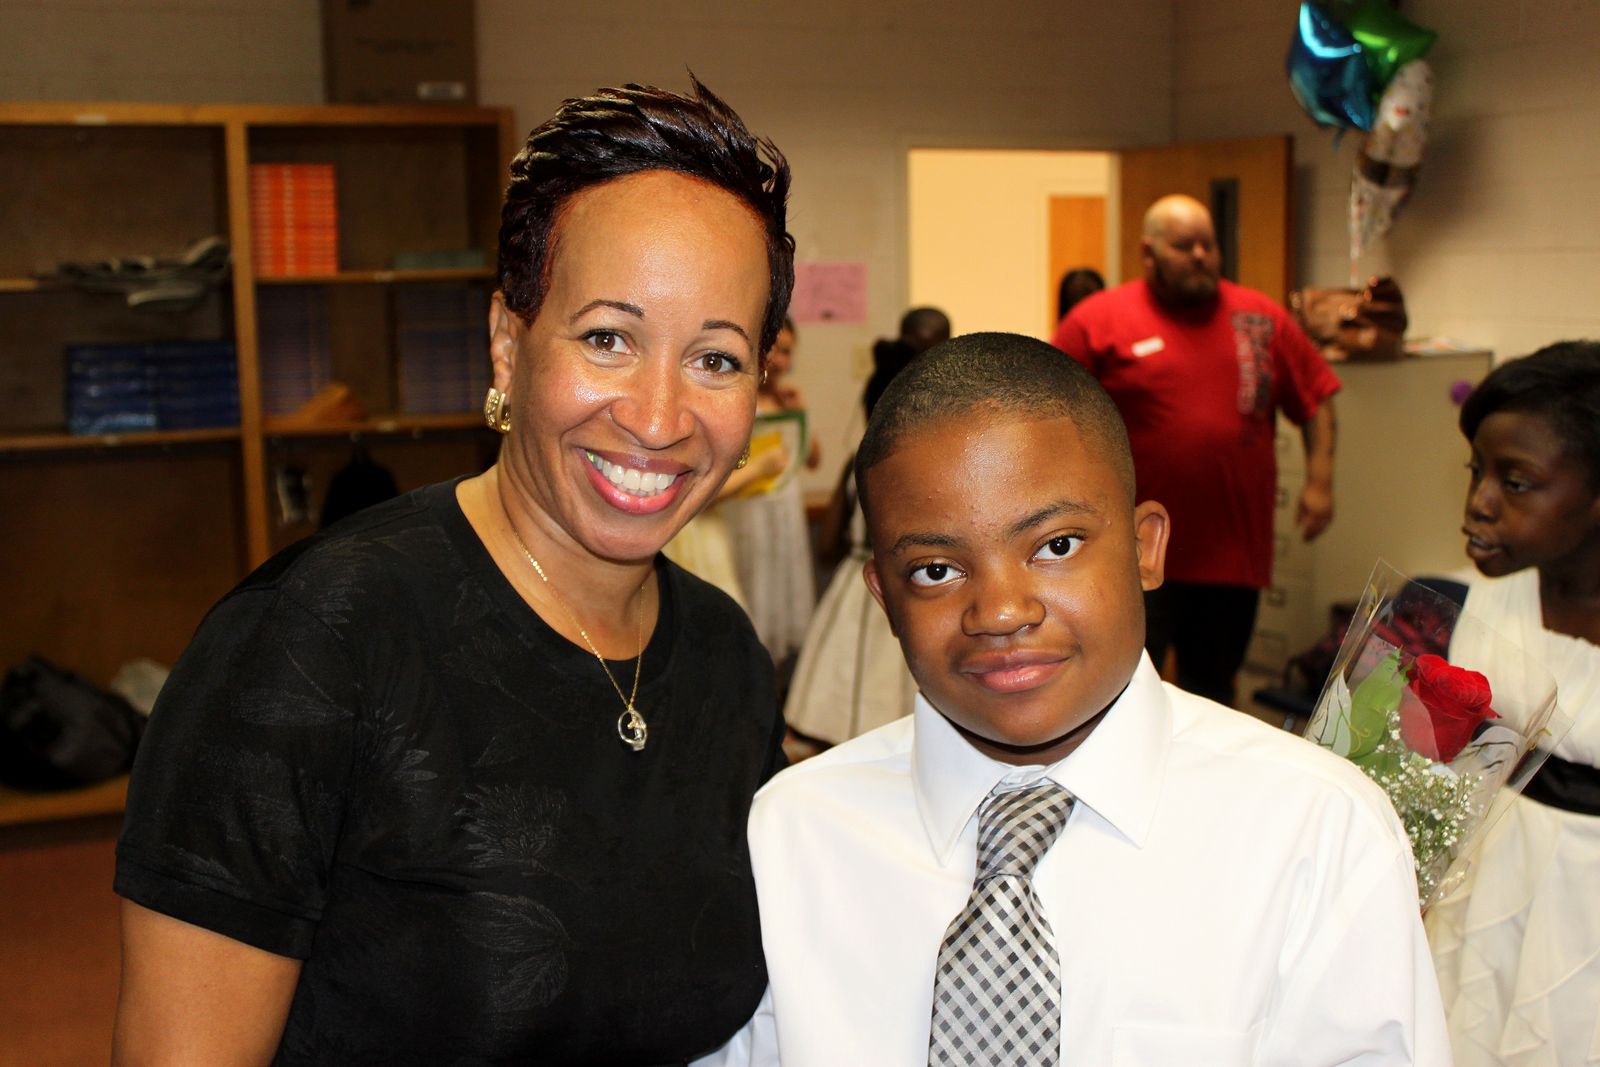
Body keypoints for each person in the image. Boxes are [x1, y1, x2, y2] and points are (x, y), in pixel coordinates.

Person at [112, 78, 793, 1065]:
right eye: (608, 338)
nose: (657, 417)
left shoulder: (725, 656)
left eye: (715, 359)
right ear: (508, 346)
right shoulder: (311, 642)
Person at [726, 333, 1448, 1065]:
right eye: (936, 569)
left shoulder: (1317, 832)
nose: (1001, 612)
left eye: (1057, 546)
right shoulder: (789, 837)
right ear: (885, 598)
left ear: (1145, 548)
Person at [1052, 194, 1339, 707]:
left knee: (1213, 695)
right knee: (1122, 692)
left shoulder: (1259, 318)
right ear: (1149, 252)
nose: (1202, 256)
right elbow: (1044, 410)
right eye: (1185, 246)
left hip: (1233, 552)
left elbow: (1316, 400)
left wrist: (1320, 481)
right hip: (1130, 549)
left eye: (1209, 245)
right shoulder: (1098, 321)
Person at [1424, 340, 1600, 1066]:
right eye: (1477, 471)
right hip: (1485, 896)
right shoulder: (1476, 606)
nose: (1480, 502)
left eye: (1517, 482)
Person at [780, 307, 950, 751]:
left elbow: (828, 542)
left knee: (845, 698)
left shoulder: (858, 461)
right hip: (915, 588)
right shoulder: (934, 466)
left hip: (855, 588)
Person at [720, 317, 820, 665]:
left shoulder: (786, 399)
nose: (780, 360)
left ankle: (774, 676)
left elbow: (813, 459)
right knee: (751, 593)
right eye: (775, 350)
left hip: (784, 507)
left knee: (780, 591)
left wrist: (800, 412)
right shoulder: (737, 398)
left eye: (788, 352)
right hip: (746, 509)